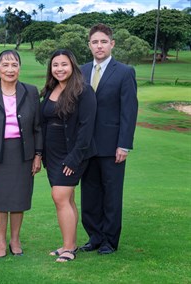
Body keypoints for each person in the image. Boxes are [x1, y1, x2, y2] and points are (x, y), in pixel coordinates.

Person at [0, 50, 42, 258]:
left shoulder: (31, 91)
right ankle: (1, 242)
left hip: (23, 154)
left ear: (19, 68)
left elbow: (38, 127)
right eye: (5, 65)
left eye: (14, 65)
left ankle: (15, 240)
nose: (10, 69)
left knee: (19, 200)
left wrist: (38, 155)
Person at [80, 23, 138, 254]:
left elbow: (129, 111)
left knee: (111, 196)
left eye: (103, 41)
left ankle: (109, 241)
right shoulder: (82, 71)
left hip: (113, 146)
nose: (99, 45)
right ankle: (94, 237)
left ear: (112, 44)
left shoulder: (125, 72)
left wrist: (124, 144)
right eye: (95, 42)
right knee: (90, 195)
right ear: (89, 45)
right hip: (87, 146)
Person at [40, 49, 97, 262]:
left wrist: (74, 158)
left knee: (60, 196)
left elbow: (86, 129)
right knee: (68, 199)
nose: (59, 69)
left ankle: (68, 249)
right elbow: (44, 122)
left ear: (72, 66)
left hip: (73, 154)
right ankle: (69, 244)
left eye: (64, 64)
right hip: (52, 154)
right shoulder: (50, 89)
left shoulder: (84, 91)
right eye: (55, 65)